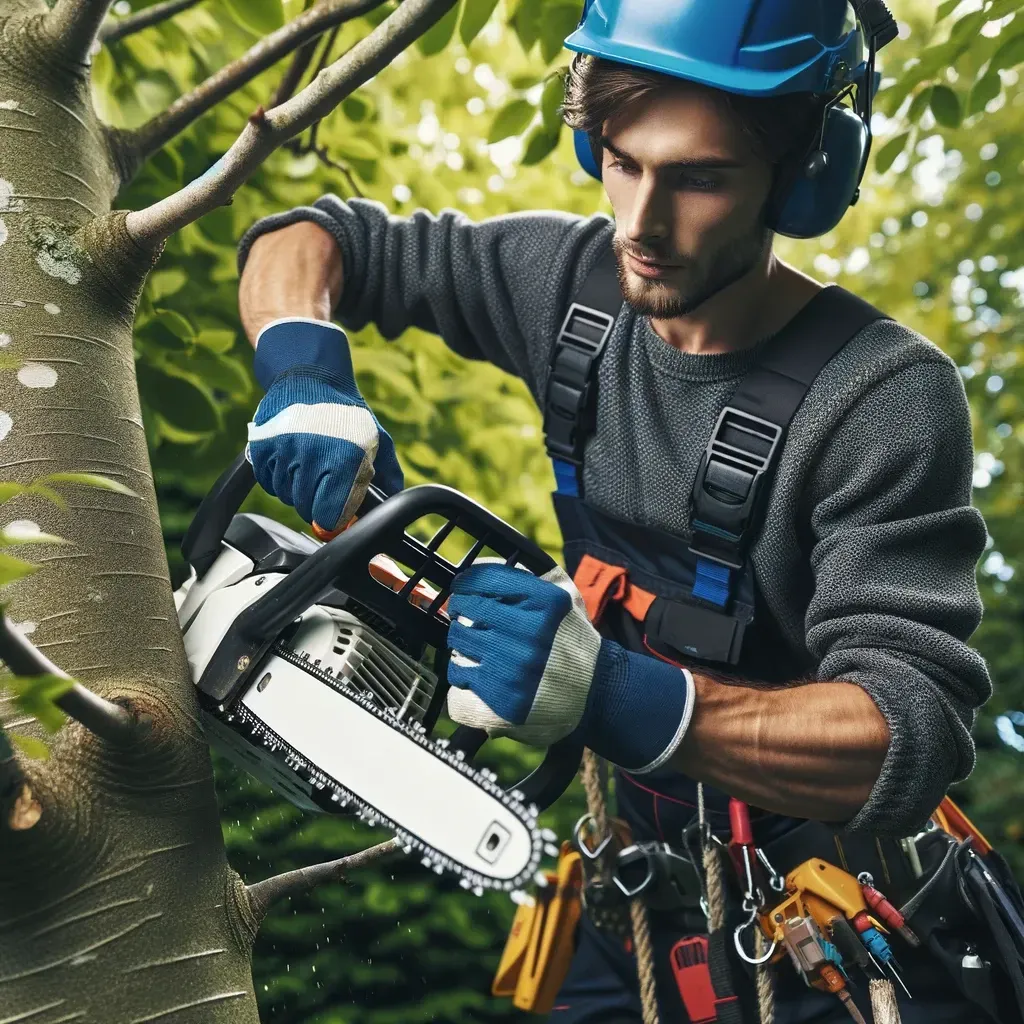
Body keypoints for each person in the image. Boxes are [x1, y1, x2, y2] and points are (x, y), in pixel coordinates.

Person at [234, 2, 998, 1019]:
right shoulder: (568, 288)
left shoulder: (881, 397)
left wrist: (623, 698)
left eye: (698, 177)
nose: (638, 221)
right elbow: (312, 238)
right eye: (622, 161)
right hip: (626, 896)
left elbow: (908, 726)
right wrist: (301, 364)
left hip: (838, 931)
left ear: (801, 171)